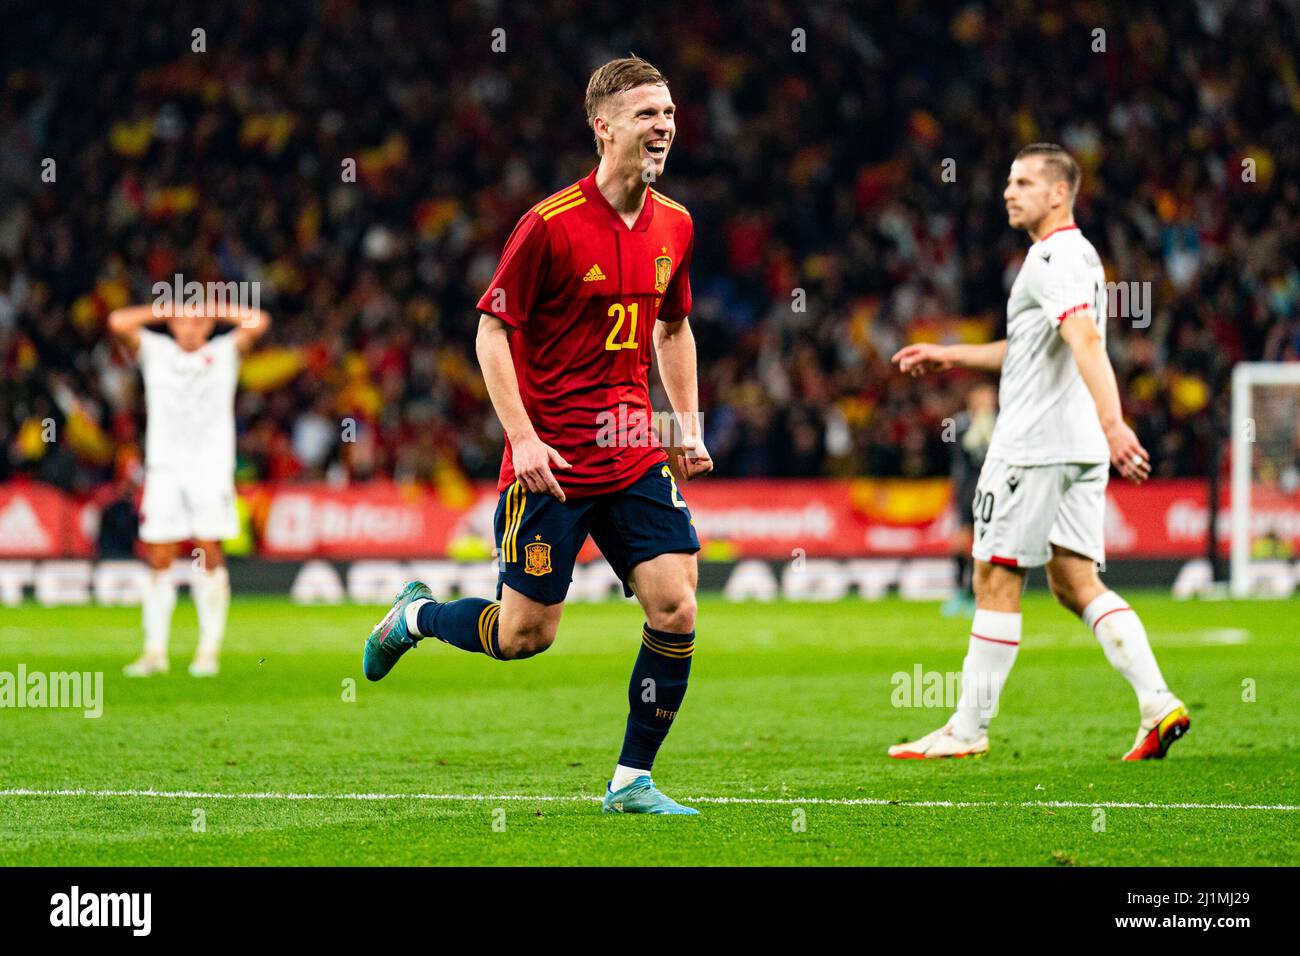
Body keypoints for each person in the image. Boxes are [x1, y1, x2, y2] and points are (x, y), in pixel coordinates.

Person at [362, 56, 713, 814]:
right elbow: (492, 334)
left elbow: (675, 325)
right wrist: (521, 437)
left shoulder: (677, 225)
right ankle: (416, 616)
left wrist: (683, 425)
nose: (665, 127)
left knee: (676, 602)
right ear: (604, 128)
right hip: (551, 461)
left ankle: (632, 781)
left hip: (633, 452)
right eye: (649, 115)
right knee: (523, 636)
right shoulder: (547, 226)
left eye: (672, 114)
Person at [888, 144, 1188, 760]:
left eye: (1023, 181)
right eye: (1007, 179)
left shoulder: (1052, 257)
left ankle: (966, 730)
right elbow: (1032, 346)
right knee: (1076, 581)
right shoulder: (1075, 258)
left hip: (1033, 447)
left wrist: (1116, 423)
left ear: (1059, 193)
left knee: (994, 576)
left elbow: (1082, 340)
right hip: (1074, 449)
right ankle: (1158, 704)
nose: (1008, 191)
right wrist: (951, 355)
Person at [109, 298, 270, 677]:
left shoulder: (224, 351)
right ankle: (154, 652)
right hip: (165, 468)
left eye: (199, 322)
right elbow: (117, 320)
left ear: (210, 326)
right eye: (184, 321)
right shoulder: (156, 349)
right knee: (159, 554)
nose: (191, 327)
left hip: (210, 469)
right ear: (172, 324)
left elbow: (260, 321)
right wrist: (164, 309)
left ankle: (208, 649)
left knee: (208, 551)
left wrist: (215, 306)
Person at [941, 382, 997, 618]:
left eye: (989, 399)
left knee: (983, 543)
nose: (986, 403)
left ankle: (976, 593)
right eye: (981, 398)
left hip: (993, 488)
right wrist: (969, 432)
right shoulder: (956, 422)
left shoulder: (1002, 424)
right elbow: (945, 443)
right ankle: (959, 592)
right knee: (961, 540)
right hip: (966, 488)